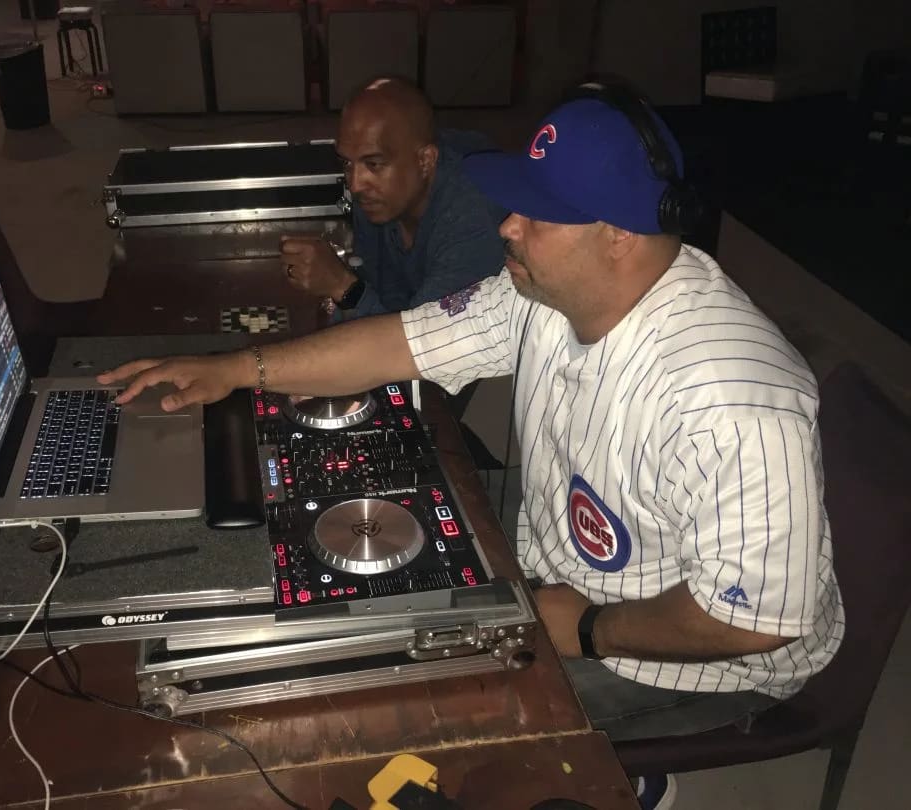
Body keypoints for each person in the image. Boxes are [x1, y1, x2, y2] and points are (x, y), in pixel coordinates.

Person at [99, 81, 844, 810]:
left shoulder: (731, 401)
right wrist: (234, 371)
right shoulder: (538, 291)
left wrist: (588, 628)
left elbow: (756, 619)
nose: (508, 226)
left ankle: (624, 778)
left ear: (617, 236)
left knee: (410, 706)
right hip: (560, 560)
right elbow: (401, 342)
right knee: (344, 539)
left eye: (536, 215)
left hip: (690, 656)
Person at [279, 76, 507, 321]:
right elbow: (385, 298)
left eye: (374, 164)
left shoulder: (472, 217)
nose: (355, 185)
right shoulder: (378, 194)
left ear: (425, 161)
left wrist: (342, 286)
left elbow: (424, 339)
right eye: (346, 163)